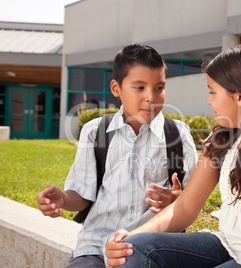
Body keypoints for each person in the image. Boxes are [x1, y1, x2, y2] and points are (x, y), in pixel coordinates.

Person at [105, 44, 241, 267]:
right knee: (133, 250)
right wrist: (128, 236)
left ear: (240, 96)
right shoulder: (223, 139)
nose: (209, 100)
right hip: (227, 243)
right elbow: (184, 207)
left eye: (213, 91)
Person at [36, 44, 198, 267]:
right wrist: (62, 199)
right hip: (96, 245)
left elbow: (191, 204)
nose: (151, 97)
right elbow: (83, 194)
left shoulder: (178, 135)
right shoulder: (95, 132)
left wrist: (175, 200)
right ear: (116, 88)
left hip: (152, 246)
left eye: (159, 87)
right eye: (139, 88)